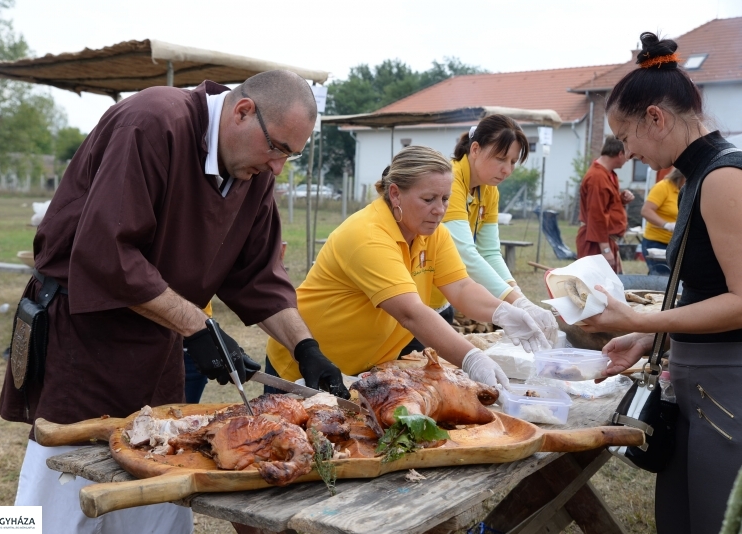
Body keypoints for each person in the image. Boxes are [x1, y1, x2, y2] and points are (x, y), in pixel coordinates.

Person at [0, 70, 349, 534]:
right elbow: (109, 252)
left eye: (291, 155)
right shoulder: (151, 121)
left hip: (157, 344)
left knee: (160, 466)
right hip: (83, 336)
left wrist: (306, 348)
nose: (279, 167)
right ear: (242, 112)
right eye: (278, 148)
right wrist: (199, 327)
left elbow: (258, 276)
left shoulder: (254, 170)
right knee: (58, 502)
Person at [580, 32, 742, 534]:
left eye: (626, 136)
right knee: (678, 518)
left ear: (657, 117)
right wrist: (653, 337)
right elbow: (705, 291)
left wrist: (642, 317)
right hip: (699, 376)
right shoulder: (696, 176)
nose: (625, 152)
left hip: (727, 383)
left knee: (712, 523)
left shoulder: (723, 178)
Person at [266, 146, 551, 390]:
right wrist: (470, 357)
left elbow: (462, 288)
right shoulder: (368, 234)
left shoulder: (434, 234)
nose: (439, 209)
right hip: (303, 367)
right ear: (395, 194)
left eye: (445, 199)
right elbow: (411, 313)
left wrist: (505, 311)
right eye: (428, 199)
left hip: (363, 367)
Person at [425, 116, 557, 349]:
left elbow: (489, 252)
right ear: (475, 149)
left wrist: (520, 297)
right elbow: (465, 254)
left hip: (441, 299)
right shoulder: (451, 183)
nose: (507, 170)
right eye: (500, 158)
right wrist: (516, 302)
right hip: (416, 296)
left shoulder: (489, 191)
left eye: (513, 161)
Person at [575, 136, 634, 273]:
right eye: (627, 153)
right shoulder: (597, 177)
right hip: (596, 243)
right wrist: (605, 250)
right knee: (597, 289)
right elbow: (597, 215)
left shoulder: (609, 174)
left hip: (604, 240)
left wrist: (621, 200)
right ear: (620, 153)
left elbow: (606, 206)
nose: (628, 158)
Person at [640, 168, 686, 274]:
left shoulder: (685, 190)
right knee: (662, 276)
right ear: (681, 176)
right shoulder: (663, 187)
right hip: (656, 243)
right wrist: (666, 225)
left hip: (675, 244)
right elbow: (646, 211)